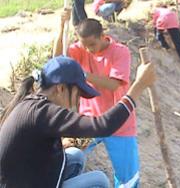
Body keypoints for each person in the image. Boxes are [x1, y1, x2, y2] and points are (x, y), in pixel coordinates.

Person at [0, 55, 155, 188]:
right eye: (77, 95)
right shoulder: (43, 112)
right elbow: (103, 126)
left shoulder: (32, 103)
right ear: (60, 89)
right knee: (98, 180)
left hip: (24, 179)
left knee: (75, 156)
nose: (78, 103)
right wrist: (138, 86)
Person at [53, 15, 141, 187]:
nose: (88, 50)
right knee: (68, 157)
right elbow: (57, 59)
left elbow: (113, 84)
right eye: (84, 46)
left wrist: (82, 74)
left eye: (92, 45)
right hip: (89, 121)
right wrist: (61, 28)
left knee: (128, 179)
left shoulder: (120, 51)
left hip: (119, 122)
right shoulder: (82, 48)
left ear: (103, 36)